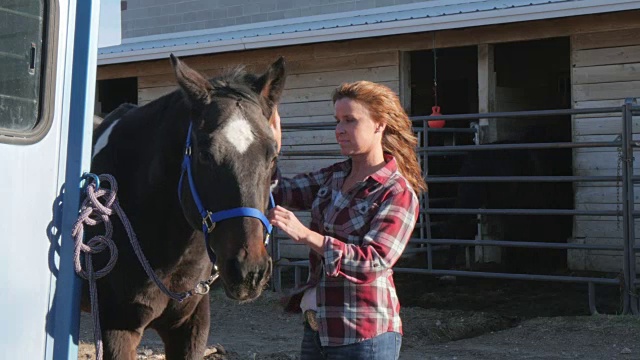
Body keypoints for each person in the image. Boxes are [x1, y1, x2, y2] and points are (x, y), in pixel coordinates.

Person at [268, 80, 426, 360]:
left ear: (380, 124)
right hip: (319, 328)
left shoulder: (396, 191)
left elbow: (373, 262)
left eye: (350, 120)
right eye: (337, 121)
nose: (339, 130)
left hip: (363, 335)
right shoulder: (335, 176)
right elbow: (280, 191)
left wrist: (307, 236)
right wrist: (269, 149)